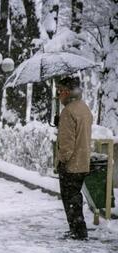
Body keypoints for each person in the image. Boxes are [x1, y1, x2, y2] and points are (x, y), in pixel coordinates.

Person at [56, 76, 93, 240]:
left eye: (60, 91)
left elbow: (67, 143)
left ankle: (78, 231)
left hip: (71, 164)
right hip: (83, 161)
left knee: (70, 198)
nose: (58, 95)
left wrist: (62, 161)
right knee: (75, 197)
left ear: (67, 92)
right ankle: (78, 230)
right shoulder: (83, 108)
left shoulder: (68, 111)